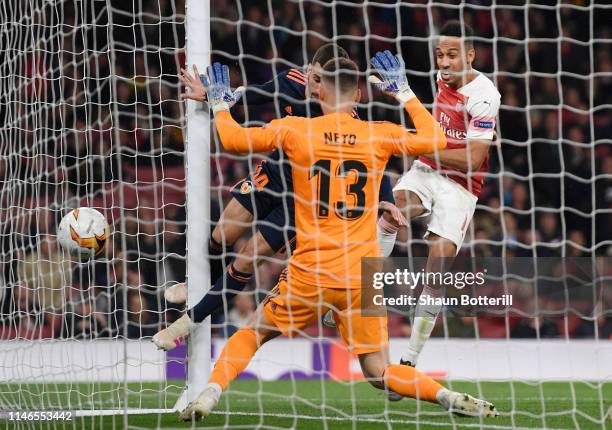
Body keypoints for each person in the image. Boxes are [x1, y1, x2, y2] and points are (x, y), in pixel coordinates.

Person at [159, 52, 497, 421]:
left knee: (253, 333)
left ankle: (210, 391)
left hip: (311, 269)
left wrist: (220, 104)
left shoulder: (295, 130)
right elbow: (435, 138)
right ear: (359, 94)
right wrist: (404, 93)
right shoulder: (379, 134)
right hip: (358, 277)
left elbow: (234, 139)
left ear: (318, 92)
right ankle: (443, 395)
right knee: (379, 372)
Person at [160, 43, 404, 343]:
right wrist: (212, 96)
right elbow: (253, 95)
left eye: (321, 81)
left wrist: (388, 202)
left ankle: (187, 324)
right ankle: (200, 283)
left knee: (247, 258)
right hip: (274, 174)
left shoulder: (345, 114)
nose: (315, 86)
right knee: (221, 235)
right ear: (308, 71)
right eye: (313, 77)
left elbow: (371, 159)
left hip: (303, 200)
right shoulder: (291, 81)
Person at [324, 22, 501, 399]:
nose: (445, 61)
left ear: (471, 55)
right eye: (440, 54)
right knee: (389, 211)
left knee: (438, 257)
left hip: (460, 186)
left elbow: (474, 158)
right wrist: (403, 97)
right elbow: (433, 126)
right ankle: (356, 295)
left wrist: (416, 145)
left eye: (453, 54)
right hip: (426, 172)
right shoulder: (441, 78)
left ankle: (409, 361)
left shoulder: (485, 95)